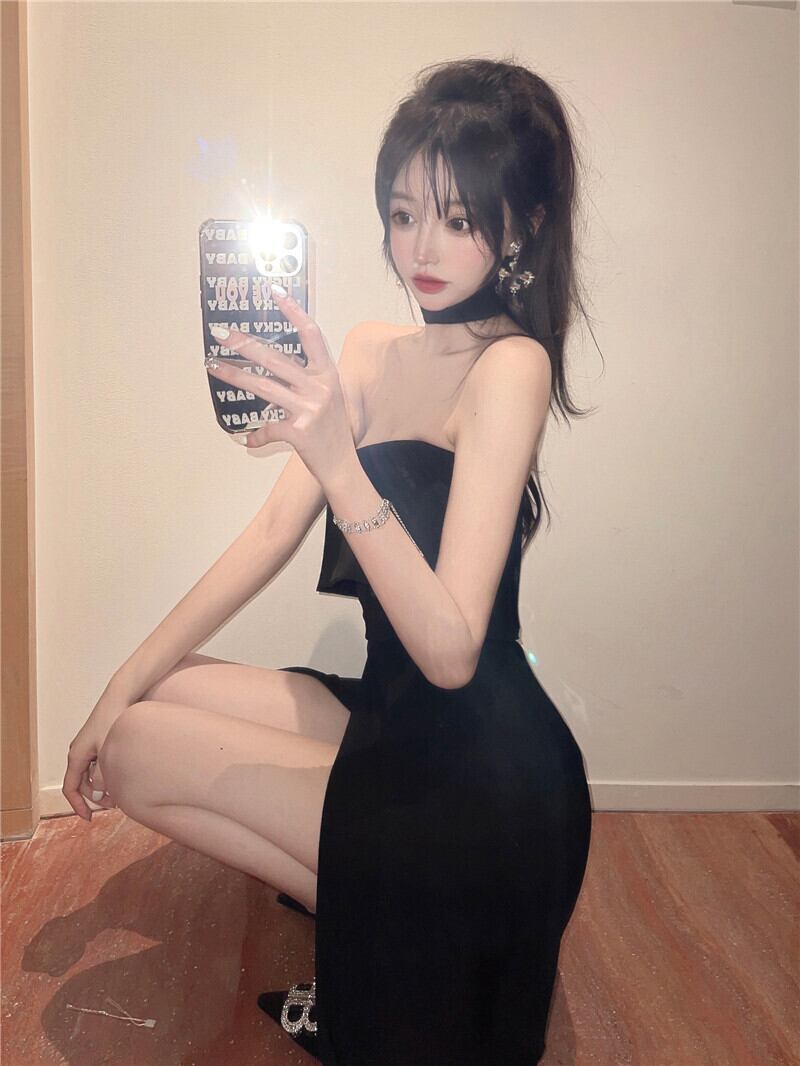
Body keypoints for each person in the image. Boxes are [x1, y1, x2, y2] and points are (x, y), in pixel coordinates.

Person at [63, 55, 593, 1065]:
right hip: (394, 715)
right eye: (402, 213)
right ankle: (383, 922)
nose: (420, 248)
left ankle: (399, 935)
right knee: (152, 696)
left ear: (522, 225)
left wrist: (339, 464)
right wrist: (113, 682)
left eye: (458, 218)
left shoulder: (509, 368)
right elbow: (269, 537)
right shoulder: (368, 348)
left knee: (134, 755)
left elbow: (450, 650)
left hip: (483, 777)